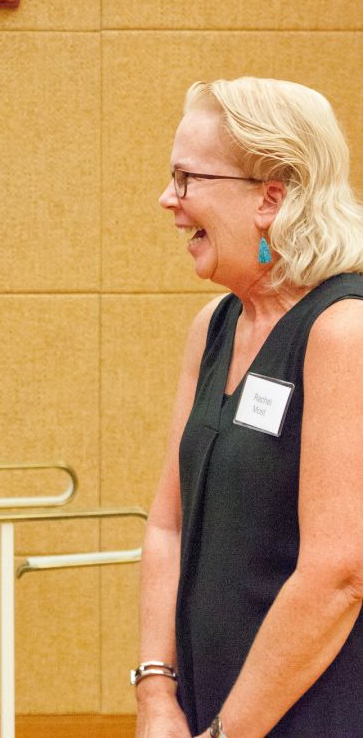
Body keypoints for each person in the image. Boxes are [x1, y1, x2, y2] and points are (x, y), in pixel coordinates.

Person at [135, 78, 363, 737]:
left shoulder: (343, 330)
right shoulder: (214, 325)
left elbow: (339, 575)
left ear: (271, 197)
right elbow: (166, 527)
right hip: (209, 712)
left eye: (186, 178)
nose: (168, 201)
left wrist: (230, 732)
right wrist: (155, 694)